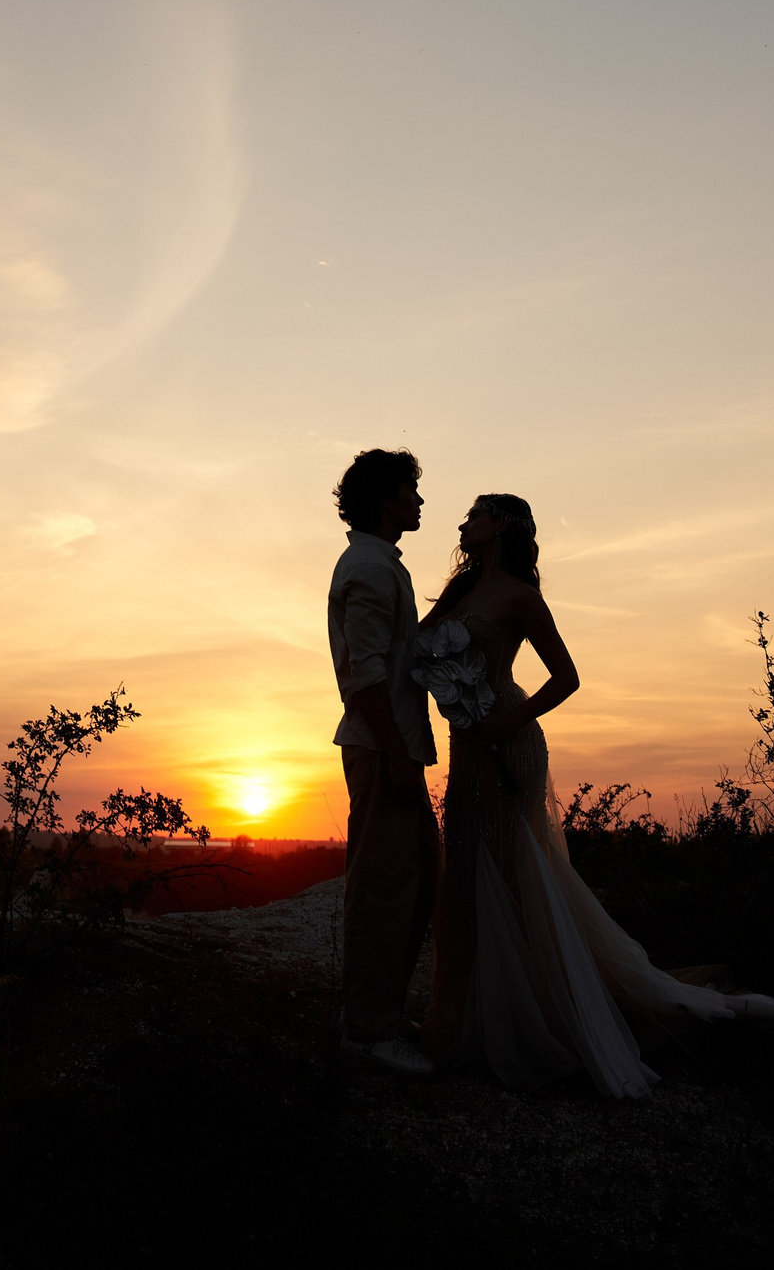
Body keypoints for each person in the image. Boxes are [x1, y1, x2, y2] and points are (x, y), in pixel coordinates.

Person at [416, 493, 774, 1099]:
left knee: (507, 872)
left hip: (506, 737)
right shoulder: (457, 594)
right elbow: (421, 652)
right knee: (461, 870)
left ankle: (534, 1021)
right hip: (468, 741)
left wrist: (505, 723)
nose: (464, 523)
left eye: (477, 514)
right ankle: (466, 1018)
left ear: (503, 525)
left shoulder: (520, 596)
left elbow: (566, 677)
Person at [326, 447, 440, 1079]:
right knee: (385, 885)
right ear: (384, 499)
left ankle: (379, 1015)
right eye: (410, 491)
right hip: (381, 747)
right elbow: (364, 676)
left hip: (395, 745)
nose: (419, 501)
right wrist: (397, 754)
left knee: (419, 873)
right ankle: (367, 1031)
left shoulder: (380, 564)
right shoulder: (368, 567)